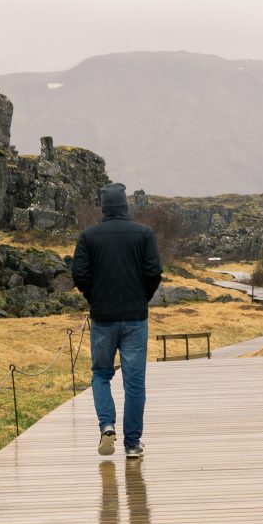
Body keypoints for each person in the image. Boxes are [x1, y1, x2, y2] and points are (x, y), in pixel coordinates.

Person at [73, 183, 162, 459]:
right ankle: (133, 444)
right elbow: (154, 272)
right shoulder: (144, 234)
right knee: (134, 383)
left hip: (102, 318)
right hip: (135, 318)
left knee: (101, 375)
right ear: (125, 206)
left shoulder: (89, 237)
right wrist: (142, 298)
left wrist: (94, 297)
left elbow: (79, 274)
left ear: (104, 207)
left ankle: (107, 424)